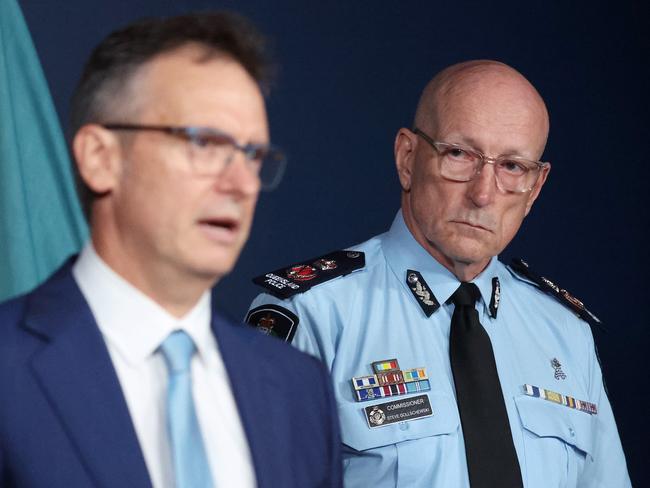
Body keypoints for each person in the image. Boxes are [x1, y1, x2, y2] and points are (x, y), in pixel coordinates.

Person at [247, 60, 631, 487]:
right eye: (459, 154)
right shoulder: (314, 315)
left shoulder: (565, 333)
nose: (483, 193)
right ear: (408, 158)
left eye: (512, 167)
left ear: (534, 188)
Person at [0, 12, 341, 488]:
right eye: (204, 143)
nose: (242, 183)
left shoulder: (298, 388)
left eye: (253, 155)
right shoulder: (8, 366)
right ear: (101, 159)